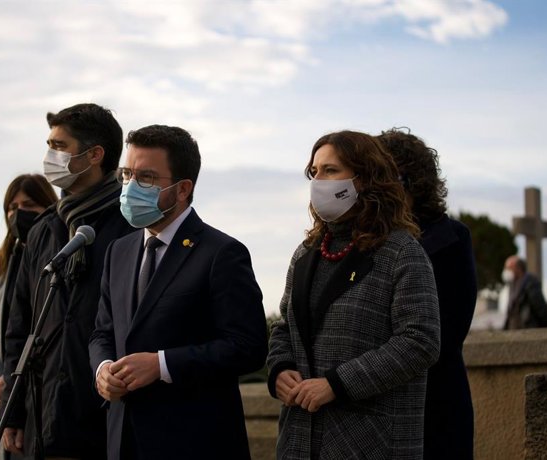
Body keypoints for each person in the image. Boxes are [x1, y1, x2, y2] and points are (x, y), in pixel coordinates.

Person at [89, 124, 268, 460]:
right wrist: (102, 370)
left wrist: (161, 365)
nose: (129, 187)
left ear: (183, 188)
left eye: (145, 178)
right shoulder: (119, 251)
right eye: (126, 174)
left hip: (193, 441)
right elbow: (103, 331)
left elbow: (249, 347)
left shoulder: (221, 253)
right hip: (122, 438)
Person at [267, 130, 441, 459]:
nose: (319, 180)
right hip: (300, 440)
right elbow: (283, 328)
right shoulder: (306, 254)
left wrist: (337, 383)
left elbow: (420, 340)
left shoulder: (401, 251)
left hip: (369, 443)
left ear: (364, 178)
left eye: (331, 170)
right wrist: (280, 369)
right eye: (314, 172)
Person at [2, 103, 134, 459]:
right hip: (43, 420)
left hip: (105, 419)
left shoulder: (130, 228)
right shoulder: (46, 228)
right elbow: (19, 328)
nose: (49, 156)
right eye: (49, 145)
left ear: (94, 155)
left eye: (59, 146)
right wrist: (12, 412)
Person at [378, 127, 478, 460]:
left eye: (386, 175)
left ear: (410, 181)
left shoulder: (451, 238)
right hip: (375, 407)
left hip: (435, 402)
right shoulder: (369, 237)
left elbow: (448, 329)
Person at [0, 173, 58, 460]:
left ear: (48, 207)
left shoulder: (59, 259)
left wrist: (15, 378)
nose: (18, 213)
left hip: (37, 401)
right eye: (12, 207)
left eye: (29, 204)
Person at [502, 255, 547, 329]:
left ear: (518, 268)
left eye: (509, 268)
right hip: (515, 330)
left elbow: (539, 307)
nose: (506, 271)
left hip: (528, 328)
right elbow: (511, 311)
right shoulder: (513, 284)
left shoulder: (530, 282)